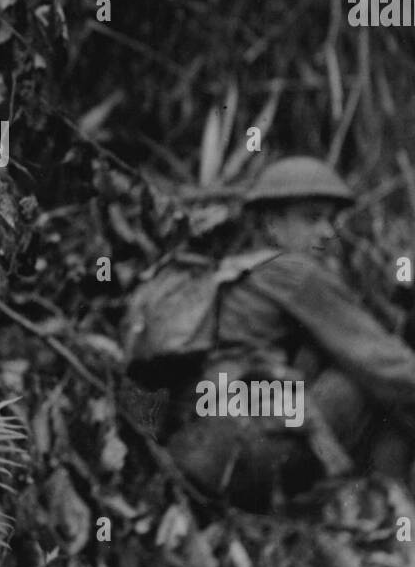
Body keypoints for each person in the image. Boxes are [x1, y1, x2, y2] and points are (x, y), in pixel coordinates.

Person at [163, 156, 415, 509]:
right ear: (272, 223)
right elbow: (382, 363)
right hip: (245, 445)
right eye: (312, 218)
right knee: (367, 385)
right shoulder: (293, 273)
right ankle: (390, 517)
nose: (327, 231)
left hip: (204, 447)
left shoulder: (238, 272)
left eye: (330, 220)